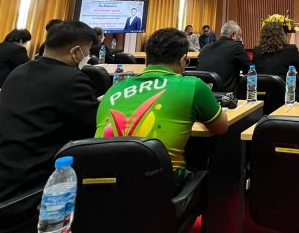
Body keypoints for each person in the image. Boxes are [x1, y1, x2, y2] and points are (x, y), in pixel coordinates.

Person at [0, 21, 99, 205]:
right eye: (87, 51)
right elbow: (94, 126)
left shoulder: (18, 72)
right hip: (27, 191)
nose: (87, 56)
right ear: (75, 52)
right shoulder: (72, 80)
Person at [96, 28, 228, 183]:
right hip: (160, 184)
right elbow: (221, 127)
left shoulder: (113, 90)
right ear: (183, 60)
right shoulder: (193, 86)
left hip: (106, 184)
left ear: (147, 59)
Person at [252, 21, 299, 100]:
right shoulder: (291, 49)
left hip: (262, 95)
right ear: (282, 35)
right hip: (287, 96)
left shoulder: (257, 51)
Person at [197, 20, 251, 92]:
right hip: (225, 95)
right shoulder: (236, 47)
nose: (240, 39)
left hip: (202, 93)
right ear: (233, 35)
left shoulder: (205, 48)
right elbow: (251, 70)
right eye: (239, 36)